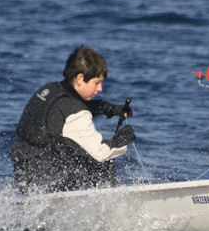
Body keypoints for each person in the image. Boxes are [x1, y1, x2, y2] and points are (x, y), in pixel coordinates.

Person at [11, 46, 136, 193]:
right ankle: (106, 209)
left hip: (24, 175)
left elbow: (68, 108)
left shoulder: (50, 89)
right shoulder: (75, 112)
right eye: (97, 83)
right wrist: (122, 139)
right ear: (80, 78)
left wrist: (109, 109)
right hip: (47, 181)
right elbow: (100, 153)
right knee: (102, 163)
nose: (100, 88)